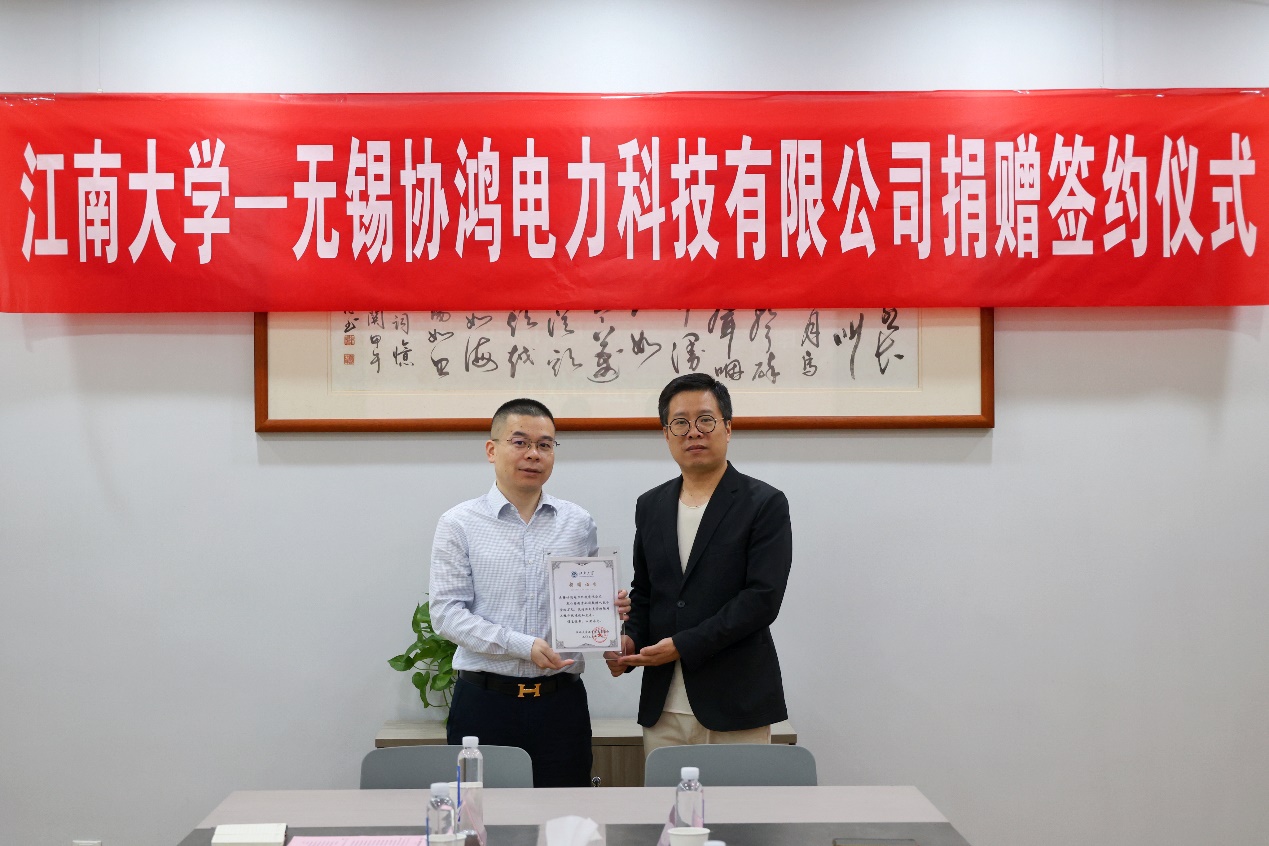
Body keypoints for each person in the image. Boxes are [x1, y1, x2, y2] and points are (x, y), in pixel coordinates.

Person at [430, 397, 629, 787]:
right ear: (492, 450)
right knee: (482, 813)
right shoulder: (459, 523)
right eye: (519, 442)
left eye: (545, 444)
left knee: (565, 814)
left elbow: (584, 601)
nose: (533, 454)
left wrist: (609, 616)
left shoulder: (577, 522)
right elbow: (447, 614)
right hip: (485, 703)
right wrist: (522, 645)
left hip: (561, 704)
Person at [607, 373, 793, 756]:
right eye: (680, 423)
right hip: (663, 705)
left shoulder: (764, 503)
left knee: (742, 799)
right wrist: (629, 641)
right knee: (666, 798)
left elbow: (762, 599)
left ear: (728, 427)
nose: (693, 432)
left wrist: (682, 645)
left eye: (705, 420)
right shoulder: (651, 505)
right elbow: (646, 592)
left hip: (736, 701)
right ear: (666, 435)